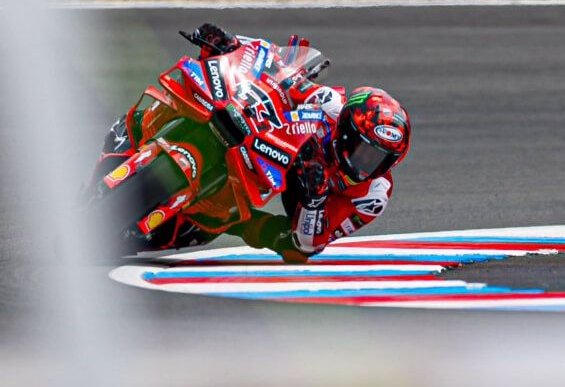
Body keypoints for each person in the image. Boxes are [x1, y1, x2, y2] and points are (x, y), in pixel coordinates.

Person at [100, 24, 411, 262]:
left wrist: (315, 197)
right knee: (194, 99)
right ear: (345, 131)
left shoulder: (372, 195)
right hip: (273, 141)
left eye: (377, 160)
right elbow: (279, 68)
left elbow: (310, 243)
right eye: (364, 151)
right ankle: (144, 132)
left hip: (305, 196)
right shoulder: (329, 104)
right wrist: (229, 46)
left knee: (280, 242)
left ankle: (214, 217)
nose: (365, 165)